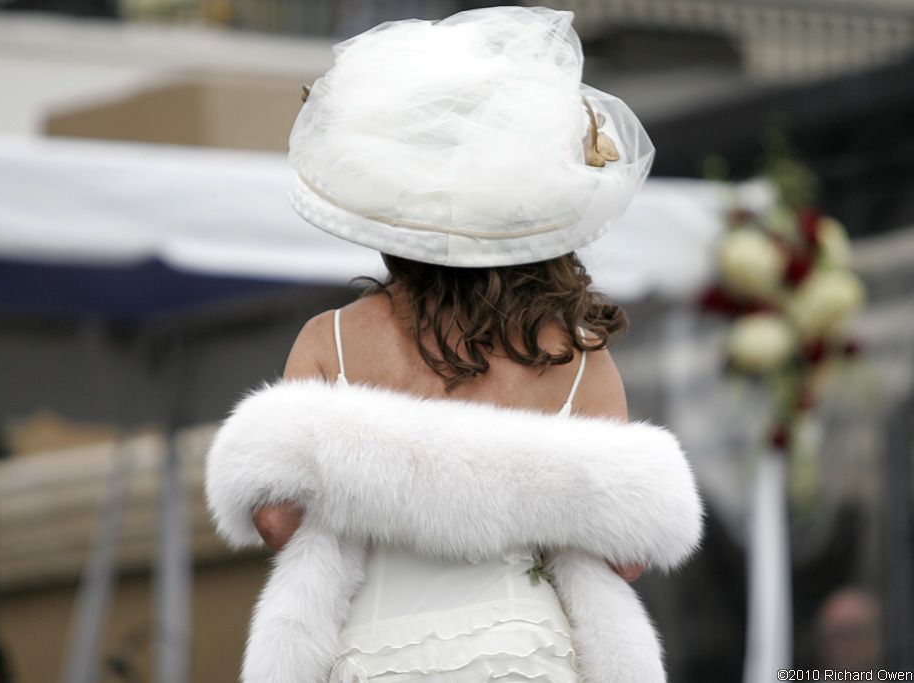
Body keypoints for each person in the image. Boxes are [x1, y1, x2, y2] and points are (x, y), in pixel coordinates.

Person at [205, 7, 703, 683]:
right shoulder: (580, 357)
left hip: (377, 651)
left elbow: (276, 520)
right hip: (525, 651)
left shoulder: (332, 342)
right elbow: (627, 557)